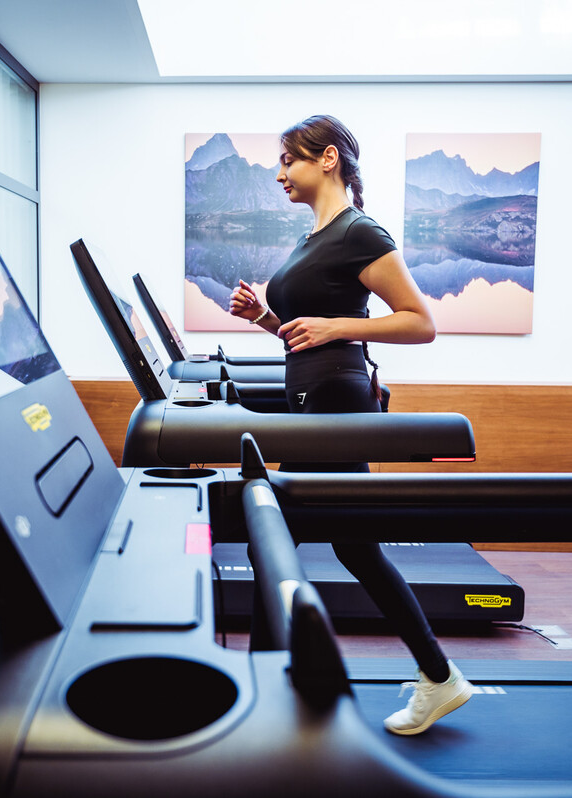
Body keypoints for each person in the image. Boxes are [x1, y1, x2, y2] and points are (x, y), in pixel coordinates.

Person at [229, 115, 473, 735]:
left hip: (338, 402)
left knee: (273, 532)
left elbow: (420, 322)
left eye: (290, 160)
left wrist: (339, 327)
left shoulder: (360, 233)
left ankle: (268, 685)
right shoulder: (318, 235)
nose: (281, 173)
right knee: (349, 543)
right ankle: (438, 677)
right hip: (318, 396)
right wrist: (265, 318)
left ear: (328, 159)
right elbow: (309, 333)